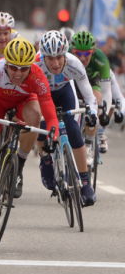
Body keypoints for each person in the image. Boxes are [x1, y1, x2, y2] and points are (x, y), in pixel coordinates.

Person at [0, 38, 58, 230]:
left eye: (24, 69)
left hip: (24, 102)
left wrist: (52, 136)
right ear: (6, 64)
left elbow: (49, 110)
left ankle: (19, 164)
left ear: (30, 67)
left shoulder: (37, 74)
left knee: (36, 115)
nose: (18, 73)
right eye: (13, 68)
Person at [34, 31, 98, 206]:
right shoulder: (35, 64)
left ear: (65, 55)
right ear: (43, 57)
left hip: (64, 93)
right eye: (51, 59)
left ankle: (85, 182)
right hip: (42, 95)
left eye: (59, 58)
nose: (55, 63)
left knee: (73, 130)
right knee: (39, 126)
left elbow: (90, 97)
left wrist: (92, 114)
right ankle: (45, 159)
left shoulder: (74, 63)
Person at [70, 31, 112, 159]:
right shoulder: (66, 55)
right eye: (78, 54)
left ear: (93, 51)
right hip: (73, 81)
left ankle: (88, 145)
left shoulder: (101, 58)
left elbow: (106, 91)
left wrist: (104, 112)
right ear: (72, 51)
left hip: (92, 81)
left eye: (86, 53)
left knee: (96, 101)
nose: (82, 58)